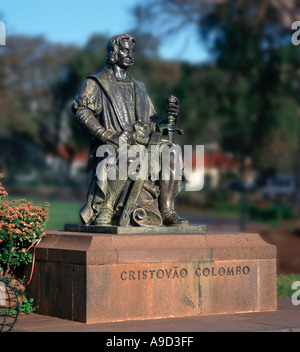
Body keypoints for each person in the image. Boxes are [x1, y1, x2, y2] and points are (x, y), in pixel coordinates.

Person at [72, 34, 186, 226]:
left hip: (141, 142)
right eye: (125, 50)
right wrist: (107, 135)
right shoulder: (97, 83)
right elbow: (82, 112)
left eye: (132, 51)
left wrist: (168, 119)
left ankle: (167, 209)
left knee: (172, 151)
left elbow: (152, 123)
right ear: (114, 53)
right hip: (111, 146)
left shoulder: (139, 87)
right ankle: (107, 208)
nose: (130, 54)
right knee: (132, 155)